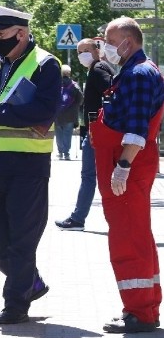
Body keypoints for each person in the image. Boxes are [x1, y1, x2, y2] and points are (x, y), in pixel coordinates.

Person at [0, 4, 61, 325]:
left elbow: (46, 110)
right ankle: (29, 281)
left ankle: (16, 304)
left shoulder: (46, 64)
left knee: (22, 237)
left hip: (27, 165)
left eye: (1, 33)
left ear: (20, 34)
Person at [90, 17, 164, 333]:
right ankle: (143, 306)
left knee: (128, 238)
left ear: (127, 41)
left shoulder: (138, 74)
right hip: (130, 165)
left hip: (128, 166)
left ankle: (140, 313)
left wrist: (122, 167)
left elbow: (136, 128)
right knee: (136, 235)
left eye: (109, 39)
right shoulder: (134, 72)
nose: (104, 45)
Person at [54, 38, 114, 231]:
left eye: (84, 51)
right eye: (79, 52)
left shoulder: (98, 69)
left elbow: (111, 92)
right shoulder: (98, 68)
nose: (81, 56)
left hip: (98, 132)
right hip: (95, 131)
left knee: (90, 176)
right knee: (92, 176)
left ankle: (79, 219)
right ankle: (79, 218)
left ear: (96, 49)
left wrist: (99, 120)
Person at [54, 64, 82, 160]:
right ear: (69, 73)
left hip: (57, 113)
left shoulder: (56, 84)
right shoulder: (74, 85)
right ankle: (66, 153)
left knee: (58, 133)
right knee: (67, 133)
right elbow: (80, 99)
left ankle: (60, 152)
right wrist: (75, 106)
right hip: (70, 114)